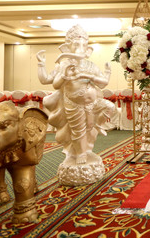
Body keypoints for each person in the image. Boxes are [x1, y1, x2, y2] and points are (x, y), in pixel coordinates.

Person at [37, 24, 114, 165]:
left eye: (84, 45)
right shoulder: (63, 65)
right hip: (73, 104)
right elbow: (48, 81)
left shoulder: (91, 65)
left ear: (88, 49)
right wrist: (42, 65)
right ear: (67, 48)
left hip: (92, 103)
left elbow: (103, 83)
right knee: (78, 131)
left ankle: (99, 125)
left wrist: (104, 73)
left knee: (110, 108)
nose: (81, 48)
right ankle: (80, 153)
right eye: (76, 44)